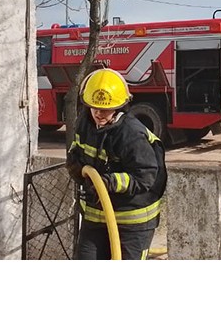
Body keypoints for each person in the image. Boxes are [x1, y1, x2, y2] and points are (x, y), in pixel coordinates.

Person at [65, 68, 168, 260]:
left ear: (120, 107)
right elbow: (77, 151)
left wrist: (110, 182)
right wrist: (75, 166)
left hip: (133, 221)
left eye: (105, 109)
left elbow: (145, 177)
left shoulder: (131, 134)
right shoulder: (85, 123)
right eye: (94, 107)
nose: (99, 114)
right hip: (96, 216)